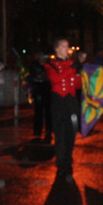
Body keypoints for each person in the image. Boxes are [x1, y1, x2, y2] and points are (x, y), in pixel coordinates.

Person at [45, 38, 80, 177]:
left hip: (71, 100)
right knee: (60, 131)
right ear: (57, 49)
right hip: (58, 101)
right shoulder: (50, 65)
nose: (67, 49)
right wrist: (72, 69)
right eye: (64, 46)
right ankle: (60, 159)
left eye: (67, 46)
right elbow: (55, 79)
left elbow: (77, 85)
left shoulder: (72, 63)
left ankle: (68, 155)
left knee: (72, 130)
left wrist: (79, 74)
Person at [28, 53, 52, 141]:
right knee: (39, 111)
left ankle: (48, 130)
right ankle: (37, 130)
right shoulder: (34, 66)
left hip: (47, 89)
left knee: (48, 111)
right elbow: (32, 77)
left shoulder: (49, 65)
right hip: (38, 89)